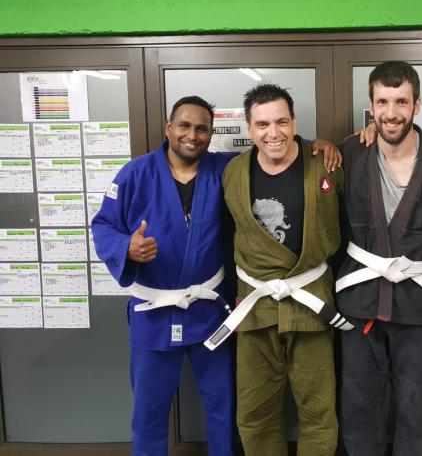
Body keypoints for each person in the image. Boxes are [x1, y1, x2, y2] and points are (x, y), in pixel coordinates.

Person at [92, 95, 339, 456]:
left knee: (223, 408)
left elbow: (274, 149)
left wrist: (318, 145)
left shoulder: (225, 169)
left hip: (210, 312)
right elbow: (103, 225)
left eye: (202, 129)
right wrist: (126, 247)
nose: (192, 135)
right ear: (168, 128)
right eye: (184, 126)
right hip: (154, 314)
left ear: (211, 134)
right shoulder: (136, 174)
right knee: (148, 413)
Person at [205, 83, 348, 456]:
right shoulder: (233, 172)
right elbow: (226, 235)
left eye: (281, 122)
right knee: (254, 414)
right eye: (263, 124)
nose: (274, 133)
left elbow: (349, 228)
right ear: (249, 129)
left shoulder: (326, 164)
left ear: (294, 122)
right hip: (256, 307)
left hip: (311, 303)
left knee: (319, 412)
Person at [335, 61, 422, 456]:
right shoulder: (348, 154)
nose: (391, 113)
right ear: (371, 106)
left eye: (401, 102)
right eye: (383, 102)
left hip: (418, 306)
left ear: (417, 105)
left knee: (414, 411)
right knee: (358, 410)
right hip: (360, 303)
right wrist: (319, 144)